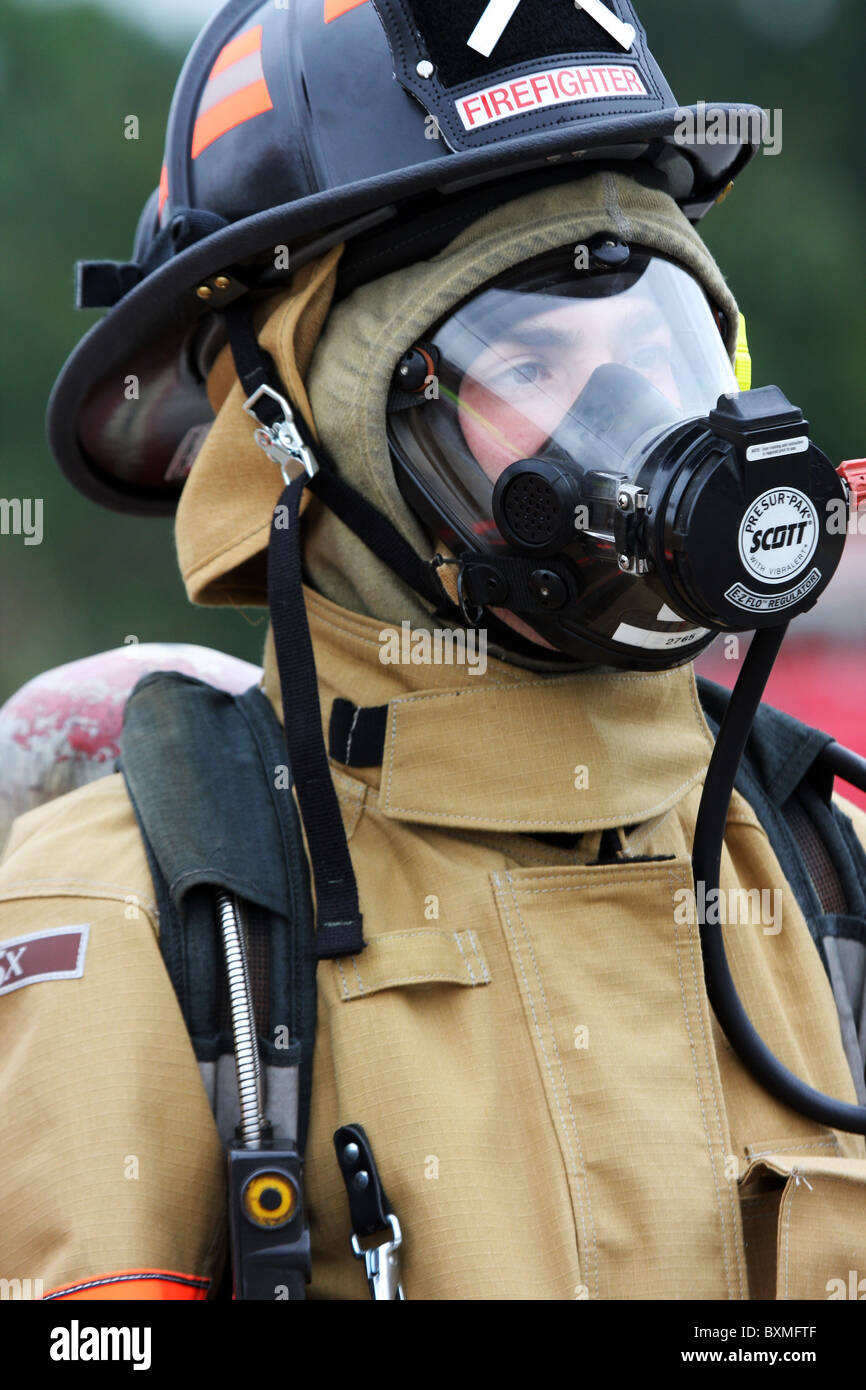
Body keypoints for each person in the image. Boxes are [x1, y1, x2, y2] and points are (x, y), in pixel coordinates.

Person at [3, 0, 866, 1303]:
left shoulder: (810, 857)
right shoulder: (154, 907)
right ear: (307, 437)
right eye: (524, 359)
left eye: (649, 349)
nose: (627, 426)